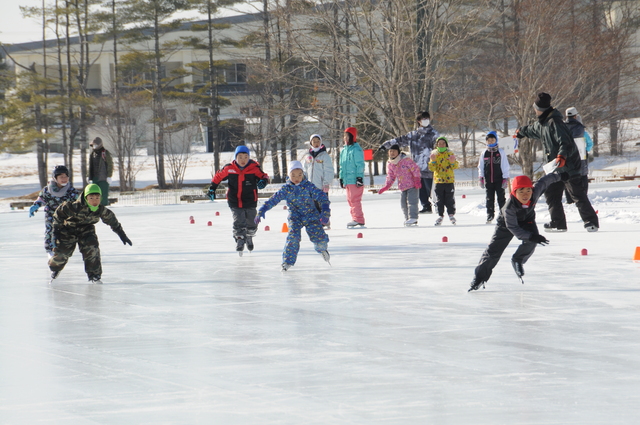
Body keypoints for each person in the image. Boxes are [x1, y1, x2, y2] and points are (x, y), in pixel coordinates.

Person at [469, 172, 566, 292]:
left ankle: (518, 260)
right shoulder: (509, 208)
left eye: (528, 191)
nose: (525, 195)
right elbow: (513, 228)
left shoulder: (535, 193)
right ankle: (479, 278)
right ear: (514, 193)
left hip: (527, 220)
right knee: (493, 251)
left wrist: (560, 176)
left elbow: (544, 181)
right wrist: (531, 236)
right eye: (521, 191)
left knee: (531, 241)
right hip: (505, 225)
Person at [516, 92, 599, 232]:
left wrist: (562, 156)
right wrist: (521, 132)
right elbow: (532, 129)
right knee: (551, 194)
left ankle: (591, 222)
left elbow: (565, 142)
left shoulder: (555, 122)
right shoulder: (542, 124)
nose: (535, 111)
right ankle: (558, 223)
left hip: (569, 165)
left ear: (539, 109)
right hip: (554, 167)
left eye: (535, 108)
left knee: (577, 194)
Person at [255, 161, 331, 271]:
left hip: (311, 215)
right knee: (293, 237)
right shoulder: (286, 189)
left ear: (303, 174)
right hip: (295, 217)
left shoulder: (308, 186)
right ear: (288, 175)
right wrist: (262, 210)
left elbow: (322, 197)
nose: (297, 178)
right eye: (293, 175)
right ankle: (287, 262)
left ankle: (322, 249)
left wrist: (325, 211)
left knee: (319, 237)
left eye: (299, 175)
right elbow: (273, 199)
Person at [49, 183, 132, 284]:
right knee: (63, 253)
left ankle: (94, 275)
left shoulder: (100, 210)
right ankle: (55, 269)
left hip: (86, 231)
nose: (94, 201)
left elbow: (112, 221)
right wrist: (56, 233)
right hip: (68, 230)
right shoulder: (74, 207)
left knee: (92, 250)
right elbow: (58, 214)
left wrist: (122, 234)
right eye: (91, 198)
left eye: (97, 198)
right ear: (86, 198)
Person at [208, 145, 269, 254]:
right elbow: (218, 176)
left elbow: (264, 176)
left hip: (250, 200)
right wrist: (212, 188)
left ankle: (250, 235)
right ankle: (240, 239)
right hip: (234, 200)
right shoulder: (229, 168)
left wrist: (263, 181)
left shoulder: (254, 168)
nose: (243, 160)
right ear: (235, 158)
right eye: (240, 157)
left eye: (245, 157)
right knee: (238, 220)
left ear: (249, 158)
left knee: (252, 221)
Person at [379, 111, 438, 213]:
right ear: (419, 121)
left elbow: (440, 147)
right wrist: (386, 145)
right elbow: (399, 140)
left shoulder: (434, 134)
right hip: (416, 167)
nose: (425, 121)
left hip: (430, 166)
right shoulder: (413, 135)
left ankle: (438, 206)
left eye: (427, 119)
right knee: (420, 188)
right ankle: (426, 206)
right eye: (423, 119)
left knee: (432, 188)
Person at [29, 165, 80, 258]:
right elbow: (42, 198)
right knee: (50, 231)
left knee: (64, 233)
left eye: (66, 176)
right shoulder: (48, 189)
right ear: (55, 178)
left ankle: (62, 250)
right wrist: (36, 205)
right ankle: (50, 251)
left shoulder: (71, 191)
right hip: (51, 214)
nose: (64, 179)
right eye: (61, 177)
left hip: (65, 216)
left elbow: (79, 203)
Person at [377, 144, 422, 226]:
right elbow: (391, 176)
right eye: (390, 151)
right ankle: (407, 218)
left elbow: (415, 169)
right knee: (403, 204)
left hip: (412, 185)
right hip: (402, 186)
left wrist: (417, 179)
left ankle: (413, 218)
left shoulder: (406, 160)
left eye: (394, 151)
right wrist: (386, 186)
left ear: (398, 152)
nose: (392, 153)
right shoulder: (390, 163)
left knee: (412, 202)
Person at [303, 134, 335, 229]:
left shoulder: (324, 156)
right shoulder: (308, 156)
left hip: (321, 185)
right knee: (313, 204)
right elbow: (305, 170)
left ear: (321, 142)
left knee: (323, 204)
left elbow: (329, 170)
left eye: (318, 141)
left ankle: (325, 220)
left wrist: (326, 183)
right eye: (314, 141)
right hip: (311, 186)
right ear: (311, 143)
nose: (316, 143)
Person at [478, 131, 510, 223]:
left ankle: (503, 215)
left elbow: (505, 165)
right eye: (489, 140)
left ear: (496, 140)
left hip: (499, 179)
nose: (491, 142)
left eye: (492, 140)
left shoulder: (501, 152)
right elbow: (481, 166)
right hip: (488, 180)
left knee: (501, 198)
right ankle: (490, 215)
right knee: (489, 198)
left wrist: (505, 178)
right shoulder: (484, 153)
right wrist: (481, 177)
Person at [563, 107, 592, 203]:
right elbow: (590, 143)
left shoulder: (562, 128)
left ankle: (569, 199)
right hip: (581, 156)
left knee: (569, 178)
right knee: (583, 176)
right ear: (576, 116)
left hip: (567, 157)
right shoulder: (581, 129)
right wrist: (585, 151)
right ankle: (583, 198)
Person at [428, 136, 459, 226]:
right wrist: (433, 161)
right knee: (439, 199)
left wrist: (453, 162)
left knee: (449, 198)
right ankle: (440, 215)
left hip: (449, 180)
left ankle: (451, 214)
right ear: (437, 145)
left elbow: (455, 166)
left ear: (446, 144)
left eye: (443, 143)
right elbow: (431, 168)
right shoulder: (434, 154)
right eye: (439, 144)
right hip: (439, 181)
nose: (441, 145)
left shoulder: (450, 153)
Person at [339, 127, 366, 228]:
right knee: (350, 200)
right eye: (344, 136)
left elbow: (360, 164)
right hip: (347, 180)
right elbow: (342, 165)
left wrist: (359, 177)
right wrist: (341, 177)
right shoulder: (344, 150)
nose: (345, 138)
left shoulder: (356, 149)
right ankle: (355, 217)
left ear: (352, 137)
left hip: (354, 179)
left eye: (347, 136)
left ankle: (358, 219)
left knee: (355, 199)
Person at [88, 137, 113, 206]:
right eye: (93, 145)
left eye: (95, 144)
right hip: (94, 177)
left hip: (103, 177)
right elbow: (91, 166)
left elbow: (110, 164)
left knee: (103, 194)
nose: (94, 146)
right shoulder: (92, 154)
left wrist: (109, 176)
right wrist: (89, 177)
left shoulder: (105, 153)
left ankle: (104, 207)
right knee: (95, 194)